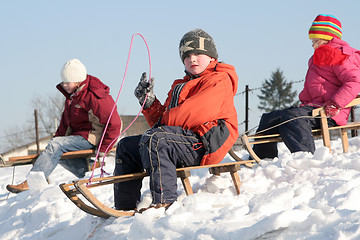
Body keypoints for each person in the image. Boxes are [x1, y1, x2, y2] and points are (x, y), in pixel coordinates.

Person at [113, 29, 239, 212]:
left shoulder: (220, 79)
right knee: (127, 147)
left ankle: (164, 201)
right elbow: (164, 121)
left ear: (211, 57)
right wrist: (148, 103)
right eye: (186, 56)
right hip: (181, 140)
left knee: (157, 139)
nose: (192, 59)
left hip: (205, 142)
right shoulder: (181, 85)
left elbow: (192, 113)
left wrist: (160, 126)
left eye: (197, 53)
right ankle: (124, 206)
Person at [252, 14, 360, 159]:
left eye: (315, 40)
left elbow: (355, 82)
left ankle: (306, 158)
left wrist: (335, 104)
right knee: (270, 118)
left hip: (329, 112)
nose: (312, 44)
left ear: (326, 38)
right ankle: (263, 158)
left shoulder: (341, 55)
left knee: (292, 117)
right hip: (313, 107)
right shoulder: (318, 57)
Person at [6, 59, 122, 193]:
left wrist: (104, 148)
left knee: (57, 146)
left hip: (94, 136)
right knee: (56, 149)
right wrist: (56, 141)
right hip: (79, 136)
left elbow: (115, 122)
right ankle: (89, 170)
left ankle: (33, 182)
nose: (65, 85)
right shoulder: (73, 96)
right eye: (63, 81)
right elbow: (65, 123)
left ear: (78, 80)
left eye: (68, 82)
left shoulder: (94, 95)